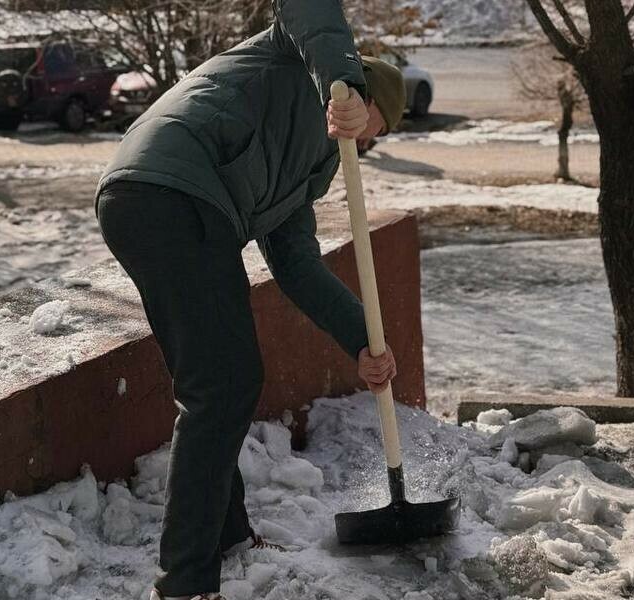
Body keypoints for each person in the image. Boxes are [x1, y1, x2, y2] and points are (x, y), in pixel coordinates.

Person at [94, 1, 406, 599]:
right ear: (370, 104)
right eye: (378, 129)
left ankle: (227, 536)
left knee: (217, 383)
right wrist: (344, 80)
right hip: (169, 190)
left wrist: (364, 340)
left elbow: (296, 265)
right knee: (223, 384)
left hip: (160, 204)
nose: (369, 146)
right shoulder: (295, 57)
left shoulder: (314, 165)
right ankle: (185, 583)